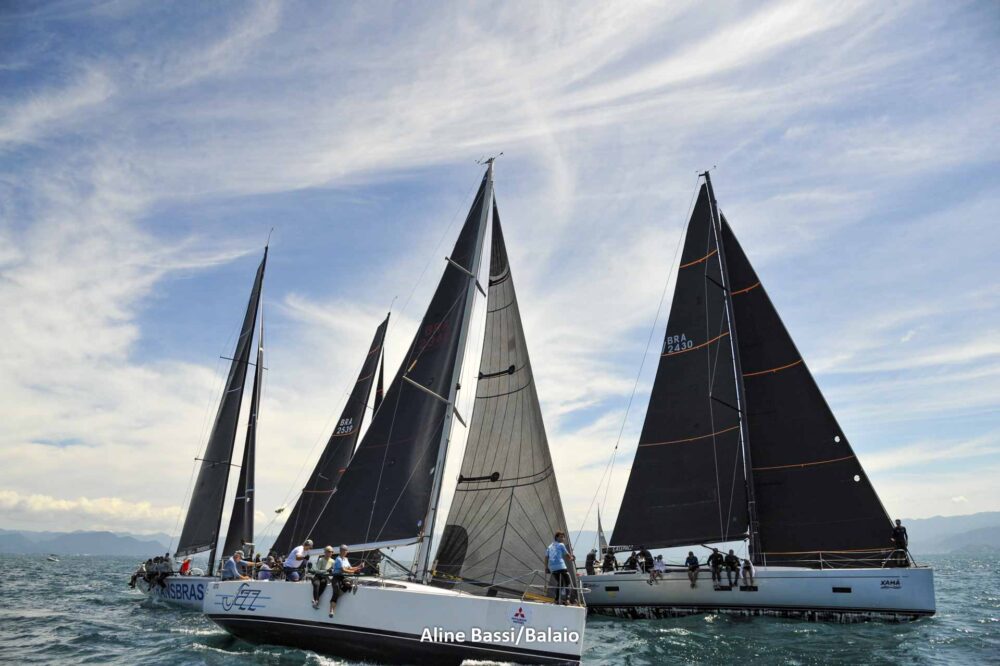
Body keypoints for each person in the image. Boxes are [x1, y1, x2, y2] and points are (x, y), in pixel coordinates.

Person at [329, 545, 362, 617]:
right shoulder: (338, 559)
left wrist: (358, 567)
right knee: (336, 589)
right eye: (345, 550)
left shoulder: (345, 559)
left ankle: (335, 598)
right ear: (341, 551)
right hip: (337, 577)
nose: (347, 552)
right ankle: (331, 610)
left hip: (343, 577)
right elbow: (343, 570)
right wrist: (354, 572)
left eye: (347, 550)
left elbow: (350, 568)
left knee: (348, 585)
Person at [546, 531, 575, 605]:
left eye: (563, 537)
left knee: (560, 583)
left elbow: (546, 557)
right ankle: (567, 600)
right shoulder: (561, 544)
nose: (563, 538)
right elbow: (567, 555)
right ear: (556, 537)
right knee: (568, 583)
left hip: (552, 568)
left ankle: (556, 600)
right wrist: (572, 558)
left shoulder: (549, 546)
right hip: (561, 566)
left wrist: (546, 568)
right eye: (561, 537)